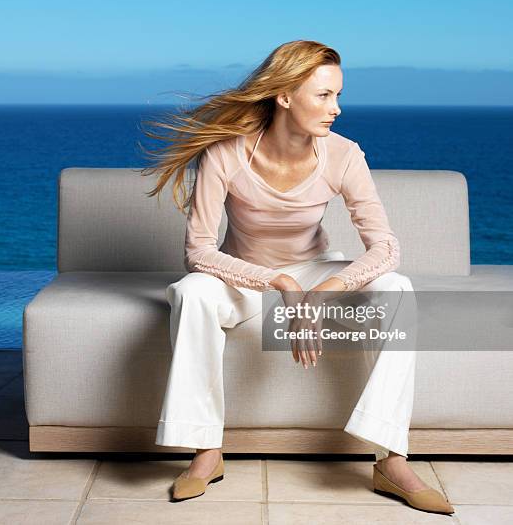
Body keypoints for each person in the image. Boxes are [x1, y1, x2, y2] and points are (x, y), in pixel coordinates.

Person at [139, 40, 454, 515]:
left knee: (397, 289)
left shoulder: (344, 155)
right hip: (247, 274)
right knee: (193, 294)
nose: (337, 110)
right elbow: (198, 251)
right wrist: (282, 286)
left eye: (338, 96)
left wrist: (321, 292)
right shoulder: (225, 153)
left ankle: (391, 458)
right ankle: (205, 451)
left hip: (317, 268)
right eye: (324, 96)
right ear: (284, 96)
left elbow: (386, 247)